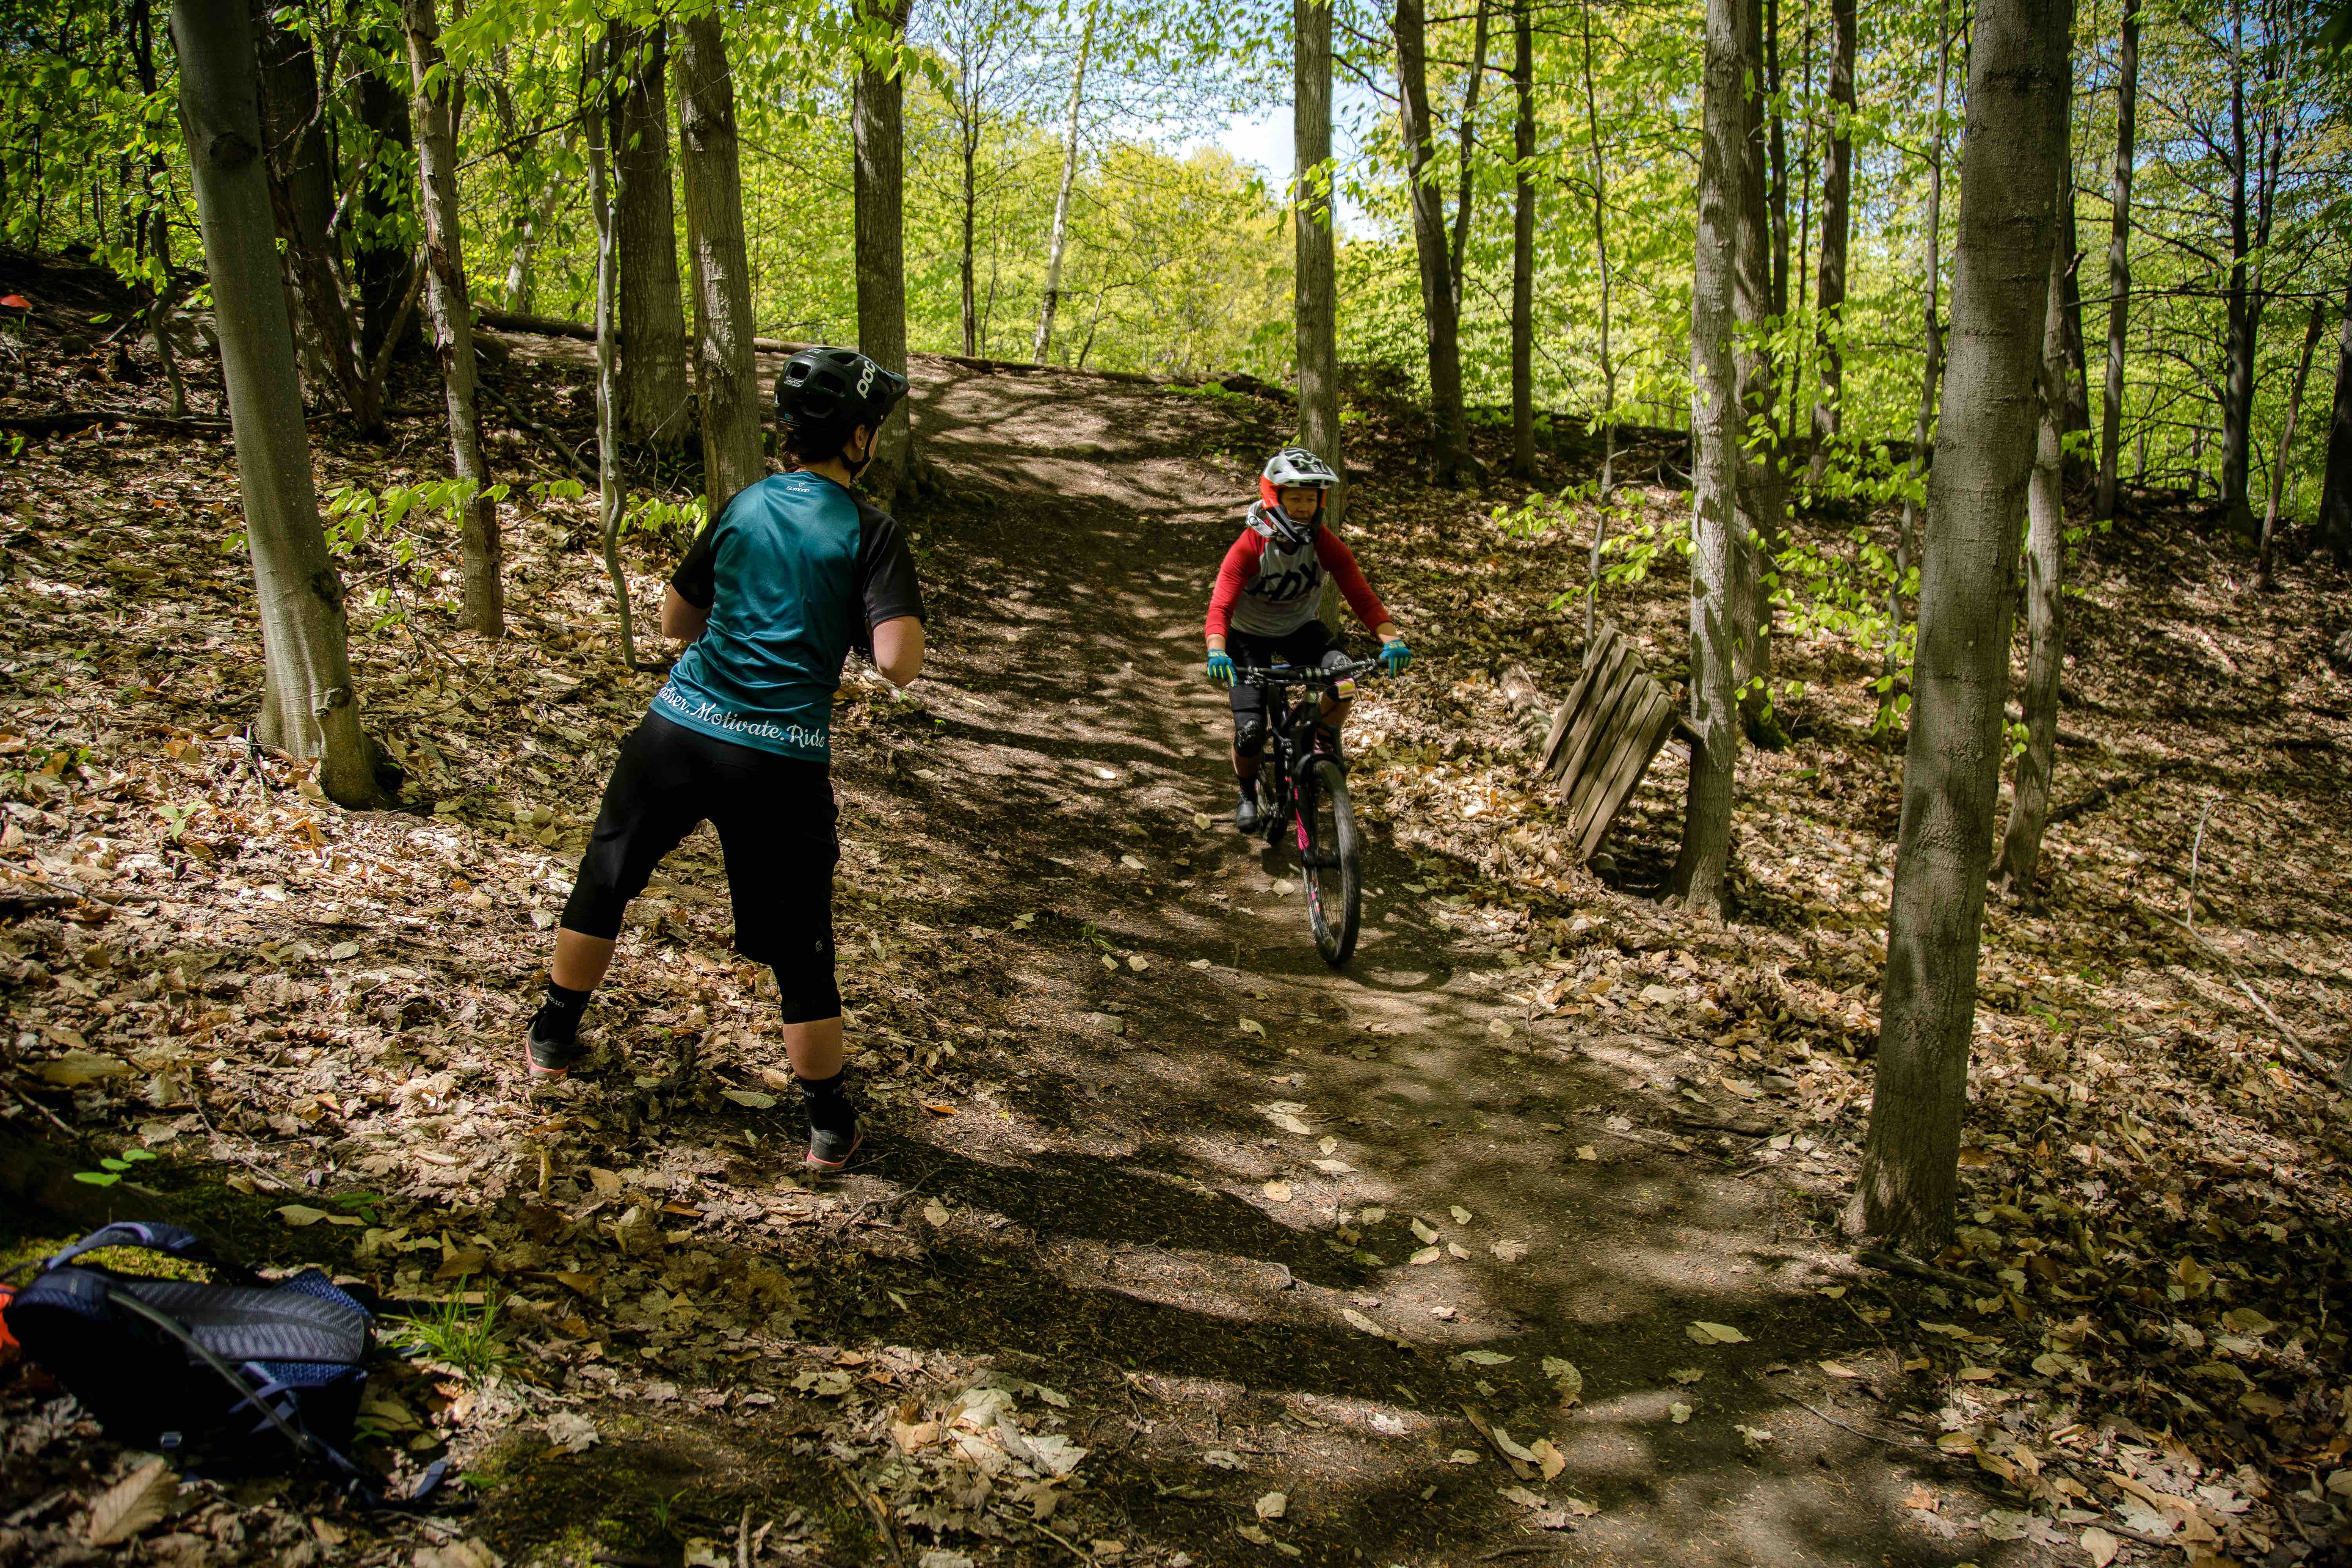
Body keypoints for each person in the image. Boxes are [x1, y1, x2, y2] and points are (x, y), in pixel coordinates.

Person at [523, 347, 925, 1172]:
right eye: (872, 428)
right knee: (800, 943)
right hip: (777, 760)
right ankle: (827, 1124)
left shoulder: (741, 504)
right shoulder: (873, 533)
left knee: (606, 875)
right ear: (857, 440)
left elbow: (675, 620)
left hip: (676, 728)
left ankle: (554, 1034)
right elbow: (897, 663)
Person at [1204, 448, 1410, 831]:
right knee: (1249, 733)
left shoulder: (1323, 542)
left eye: (1310, 498)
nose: (1302, 507)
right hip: (1247, 638)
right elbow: (1221, 606)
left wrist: (1392, 640)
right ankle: (1247, 792)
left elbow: (1361, 595)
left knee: (1344, 679)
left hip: (1301, 629)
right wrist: (1218, 651)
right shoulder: (1250, 547)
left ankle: (1319, 735)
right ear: (1275, 497)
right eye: (1294, 497)